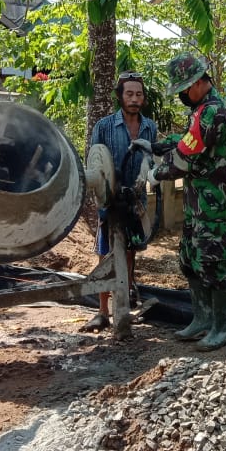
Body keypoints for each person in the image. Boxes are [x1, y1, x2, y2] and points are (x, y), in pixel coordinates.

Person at [146, 53, 226, 350]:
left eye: (184, 88)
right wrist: (160, 144)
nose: (182, 94)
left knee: (214, 264)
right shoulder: (200, 110)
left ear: (198, 82)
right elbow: (186, 140)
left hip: (212, 204)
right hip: (197, 205)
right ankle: (202, 318)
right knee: (190, 260)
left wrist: (155, 174)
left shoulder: (211, 112)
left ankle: (222, 327)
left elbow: (183, 160)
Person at [80, 71, 158, 332]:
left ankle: (123, 305)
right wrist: (103, 195)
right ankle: (102, 311)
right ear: (119, 96)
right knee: (106, 253)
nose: (134, 99)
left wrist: (150, 174)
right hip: (111, 201)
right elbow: (94, 162)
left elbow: (151, 157)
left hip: (135, 199)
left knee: (129, 251)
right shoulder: (104, 126)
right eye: (129, 94)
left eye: (139, 94)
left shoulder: (149, 126)